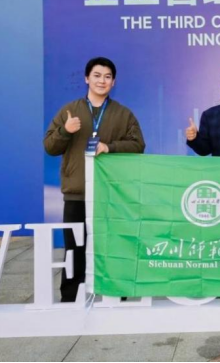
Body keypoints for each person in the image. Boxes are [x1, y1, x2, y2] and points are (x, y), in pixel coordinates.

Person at [44, 57, 145, 303]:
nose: (102, 81)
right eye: (97, 75)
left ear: (114, 82)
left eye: (107, 77)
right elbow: (49, 147)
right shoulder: (70, 111)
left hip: (110, 194)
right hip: (77, 193)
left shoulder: (123, 114)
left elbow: (138, 145)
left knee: (112, 247)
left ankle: (115, 296)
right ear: (86, 78)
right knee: (74, 249)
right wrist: (65, 131)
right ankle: (70, 299)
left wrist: (109, 147)